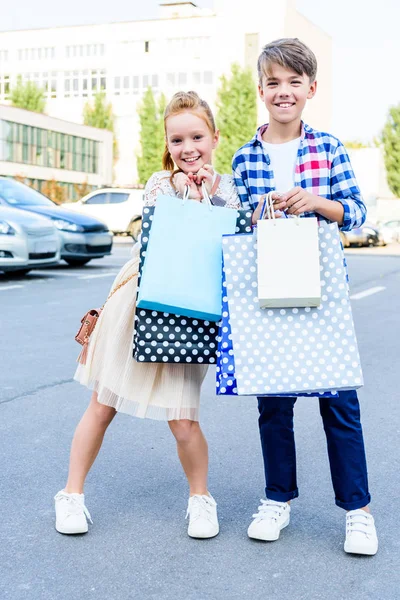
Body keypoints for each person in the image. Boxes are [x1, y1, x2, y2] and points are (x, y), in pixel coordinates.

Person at [55, 91, 240, 539]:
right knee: (102, 405)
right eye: (177, 139)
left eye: (196, 136)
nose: (187, 147)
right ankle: (71, 496)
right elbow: (159, 239)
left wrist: (206, 200)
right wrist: (184, 193)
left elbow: (229, 242)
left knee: (183, 419)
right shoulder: (161, 183)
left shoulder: (229, 187)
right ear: (167, 144)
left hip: (191, 309)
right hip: (139, 302)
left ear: (214, 138)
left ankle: (201, 499)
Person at [232, 38, 378, 556]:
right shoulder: (245, 157)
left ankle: (357, 512)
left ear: (311, 89)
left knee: (339, 402)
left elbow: (360, 213)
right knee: (273, 403)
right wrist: (255, 214)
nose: (284, 91)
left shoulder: (329, 147)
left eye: (294, 82)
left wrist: (319, 203)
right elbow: (235, 224)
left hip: (323, 293)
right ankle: (277, 499)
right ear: (262, 90)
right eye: (274, 82)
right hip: (265, 294)